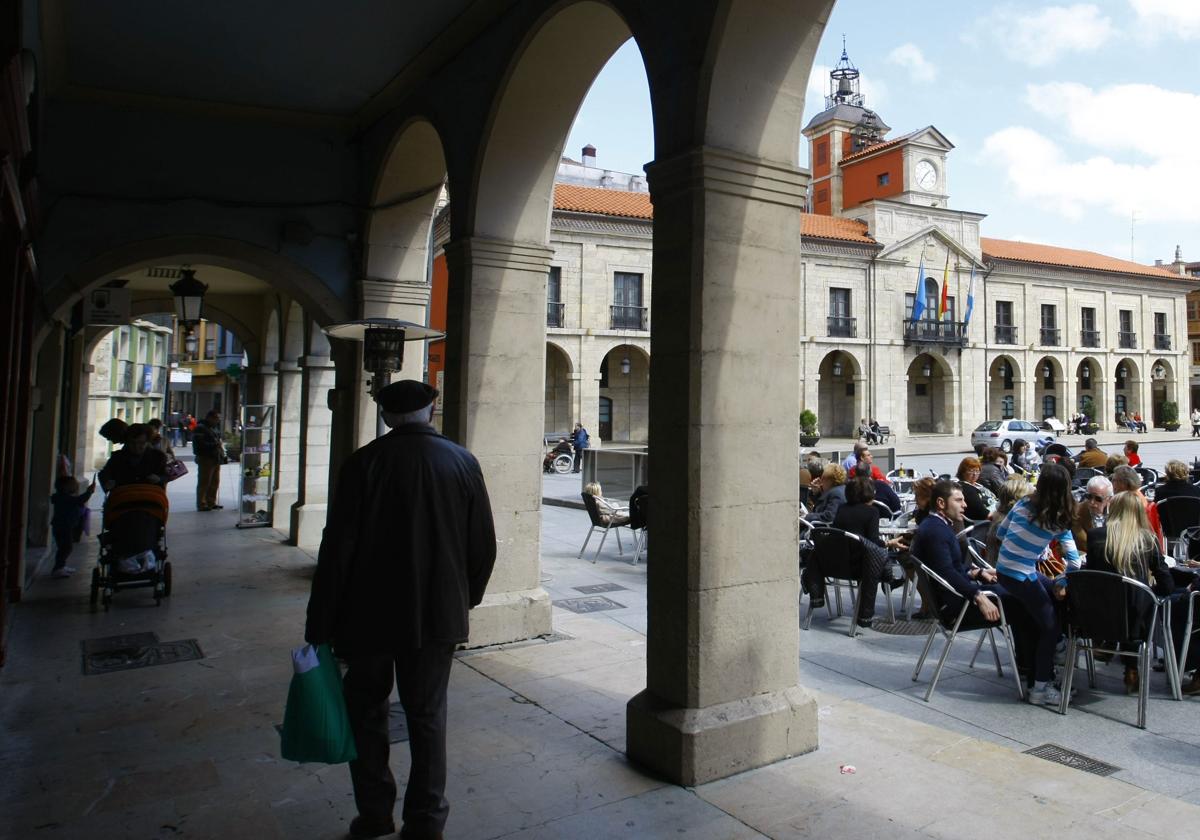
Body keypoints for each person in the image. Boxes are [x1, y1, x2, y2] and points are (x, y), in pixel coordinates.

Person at [305, 380, 496, 840]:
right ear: (433, 409)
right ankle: (426, 822)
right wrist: (463, 597)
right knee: (427, 715)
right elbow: (482, 547)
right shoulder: (462, 462)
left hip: (366, 615)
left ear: (387, 416)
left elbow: (337, 549)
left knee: (366, 713)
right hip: (436, 615)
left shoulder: (362, 464)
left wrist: (321, 621)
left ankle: (374, 814)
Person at [993, 463, 1080, 706]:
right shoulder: (1059, 520)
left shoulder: (1023, 503)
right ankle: (1040, 688)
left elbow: (1000, 533)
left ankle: (1058, 649)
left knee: (1049, 590)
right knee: (1049, 629)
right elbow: (1073, 561)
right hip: (1022, 575)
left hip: (1005, 571)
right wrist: (1063, 580)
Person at [1084, 492, 1174, 692]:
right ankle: (1132, 668)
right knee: (1139, 601)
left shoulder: (1096, 535)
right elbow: (1166, 584)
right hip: (1135, 621)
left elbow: (1091, 575)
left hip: (1098, 617)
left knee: (1119, 599)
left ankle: (1107, 644)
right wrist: (1149, 592)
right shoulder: (1147, 539)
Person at [908, 480, 1002, 624]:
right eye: (959, 500)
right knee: (1021, 599)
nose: (965, 505)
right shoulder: (936, 531)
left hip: (956, 599)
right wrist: (978, 596)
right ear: (941, 503)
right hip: (956, 606)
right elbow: (947, 573)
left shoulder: (936, 525)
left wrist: (977, 572)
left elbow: (948, 566)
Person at [820, 476, 906, 626]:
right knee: (880, 558)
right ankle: (889, 581)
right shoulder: (872, 512)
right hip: (859, 567)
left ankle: (890, 580)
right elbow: (872, 542)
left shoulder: (842, 509)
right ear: (870, 493)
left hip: (835, 564)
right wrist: (889, 543)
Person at [49, 475, 95, 578]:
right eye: (73, 485)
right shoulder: (64, 498)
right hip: (63, 527)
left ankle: (61, 566)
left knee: (64, 547)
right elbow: (80, 500)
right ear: (66, 487)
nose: (76, 487)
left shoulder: (62, 497)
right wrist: (89, 492)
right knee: (65, 547)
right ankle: (58, 568)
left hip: (63, 526)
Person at [99, 423, 168, 490]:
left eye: (141, 443)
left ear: (147, 442)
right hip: (123, 497)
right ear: (128, 441)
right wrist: (107, 481)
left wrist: (159, 478)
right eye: (132, 443)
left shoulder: (159, 457)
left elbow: (166, 475)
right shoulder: (117, 457)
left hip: (151, 497)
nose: (136, 447)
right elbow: (104, 473)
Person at [1110, 465, 1164, 549]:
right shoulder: (1138, 495)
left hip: (1133, 543)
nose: (1112, 484)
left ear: (1124, 483)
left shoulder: (1131, 500)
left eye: (1114, 480)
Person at [192, 410, 226, 511]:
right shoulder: (200, 428)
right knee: (204, 482)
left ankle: (211, 502)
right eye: (216, 419)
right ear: (210, 418)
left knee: (214, 482)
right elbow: (200, 444)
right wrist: (215, 444)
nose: (218, 421)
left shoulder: (213, 428)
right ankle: (202, 504)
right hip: (205, 458)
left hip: (215, 458)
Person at [1072, 475, 1113, 554]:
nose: (1092, 502)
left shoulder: (1117, 512)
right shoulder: (1076, 513)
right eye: (1089, 496)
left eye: (1098, 499)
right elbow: (1083, 543)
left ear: (1109, 499)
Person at [956, 456, 998, 522]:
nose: (975, 474)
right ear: (963, 472)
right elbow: (984, 514)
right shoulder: (966, 488)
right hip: (986, 521)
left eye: (977, 471)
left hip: (996, 510)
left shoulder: (977, 483)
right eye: (971, 471)